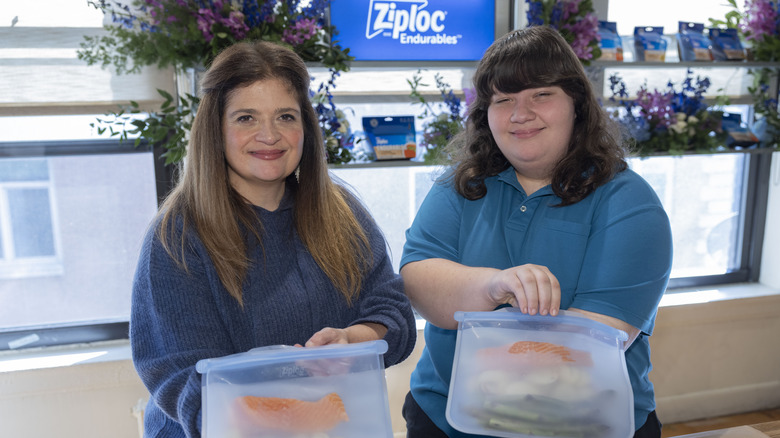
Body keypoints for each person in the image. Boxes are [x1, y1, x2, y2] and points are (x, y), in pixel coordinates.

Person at [130, 40, 417, 438]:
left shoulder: (341, 211)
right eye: (246, 117)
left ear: (305, 127)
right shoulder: (176, 237)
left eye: (285, 116)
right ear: (216, 129)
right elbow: (182, 378)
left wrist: (354, 341)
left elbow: (393, 312)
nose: (270, 135)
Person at [400, 26, 673, 438]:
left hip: (584, 423)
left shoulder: (629, 203)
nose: (519, 114)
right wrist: (494, 284)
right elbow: (419, 284)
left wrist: (472, 305)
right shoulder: (458, 185)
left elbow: (593, 345)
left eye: (541, 95)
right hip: (445, 416)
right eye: (503, 99)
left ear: (577, 105)